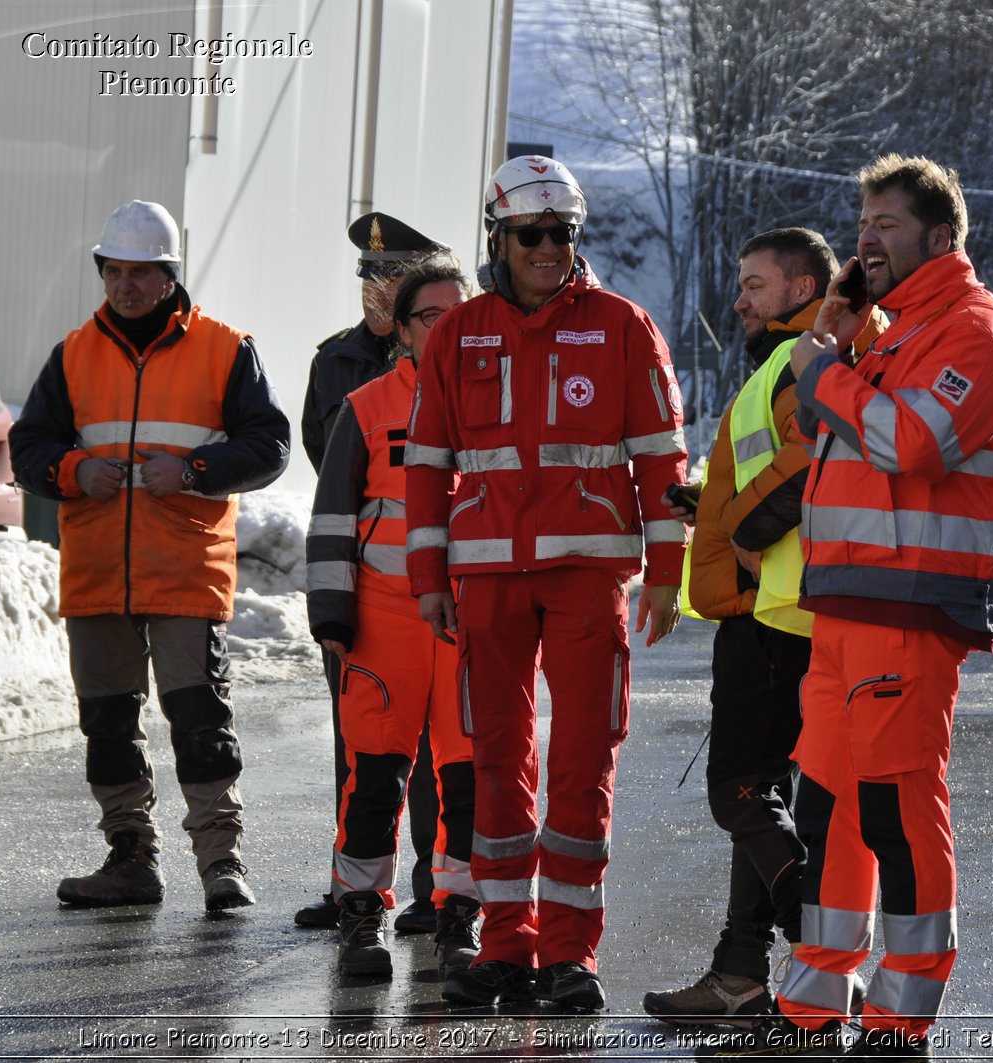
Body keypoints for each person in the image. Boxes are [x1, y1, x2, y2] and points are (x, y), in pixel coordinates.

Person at [731, 155, 993, 1058]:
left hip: (913, 609)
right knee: (829, 809)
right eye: (862, 226)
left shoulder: (977, 333)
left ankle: (902, 1022)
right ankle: (814, 1008)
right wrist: (836, 331)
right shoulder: (888, 333)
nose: (867, 239)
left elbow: (912, 440)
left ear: (941, 237)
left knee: (898, 809)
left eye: (887, 227)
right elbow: (819, 420)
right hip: (849, 607)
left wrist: (828, 370)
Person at [405, 155, 688, 1011]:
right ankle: (507, 942)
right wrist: (428, 576)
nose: (548, 247)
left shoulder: (622, 326)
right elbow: (426, 466)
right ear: (498, 235)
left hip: (586, 576)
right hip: (486, 577)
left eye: (562, 232)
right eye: (531, 233)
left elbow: (662, 462)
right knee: (496, 760)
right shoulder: (459, 333)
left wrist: (666, 574)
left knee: (581, 761)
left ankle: (570, 953)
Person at [9, 200, 290, 912]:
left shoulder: (226, 348)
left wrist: (195, 470)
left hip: (186, 574)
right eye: (114, 271)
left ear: (170, 276)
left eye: (141, 273)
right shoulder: (72, 354)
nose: (125, 285)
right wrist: (72, 472)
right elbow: (29, 448)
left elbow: (269, 445)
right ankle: (130, 855)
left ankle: (221, 863)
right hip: (98, 572)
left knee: (200, 720)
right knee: (108, 723)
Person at [643, 228, 880, 1028]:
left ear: (802, 283)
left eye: (754, 283)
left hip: (779, 609)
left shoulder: (806, 358)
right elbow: (775, 460)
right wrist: (709, 500)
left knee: (739, 790)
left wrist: (737, 523)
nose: (738, 298)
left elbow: (806, 457)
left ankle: (814, 931)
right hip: (775, 604)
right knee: (766, 791)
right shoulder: (788, 361)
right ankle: (740, 973)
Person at [306, 256, 479, 977]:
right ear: (402, 331)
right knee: (374, 776)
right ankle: (359, 916)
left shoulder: (499, 403)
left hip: (471, 623)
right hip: (383, 621)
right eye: (431, 317)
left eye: (458, 315)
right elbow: (333, 520)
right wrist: (333, 620)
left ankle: (457, 918)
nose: (447, 329)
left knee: (470, 782)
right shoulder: (369, 406)